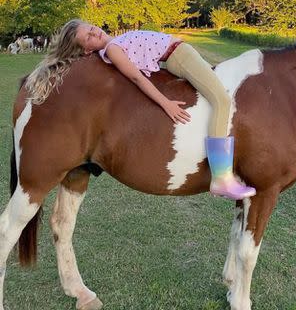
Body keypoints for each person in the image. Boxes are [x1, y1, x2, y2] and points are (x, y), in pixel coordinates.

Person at [26, 19, 256, 200]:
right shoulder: (113, 49)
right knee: (222, 100)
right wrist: (165, 102)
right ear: (86, 50)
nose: (95, 32)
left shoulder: (114, 43)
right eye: (88, 37)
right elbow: (136, 77)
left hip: (179, 53)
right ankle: (222, 176)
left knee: (215, 91)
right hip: (179, 55)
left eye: (92, 28)